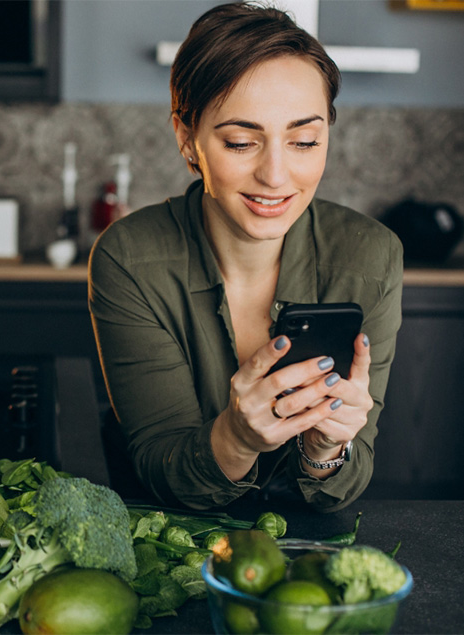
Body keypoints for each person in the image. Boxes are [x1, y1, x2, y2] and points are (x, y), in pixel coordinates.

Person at [88, 1, 403, 512]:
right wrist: (235, 439)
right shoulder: (129, 256)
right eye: (240, 142)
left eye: (304, 141)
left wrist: (328, 448)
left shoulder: (371, 256)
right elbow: (157, 463)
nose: (276, 176)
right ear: (187, 138)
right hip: (177, 544)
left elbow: (346, 481)